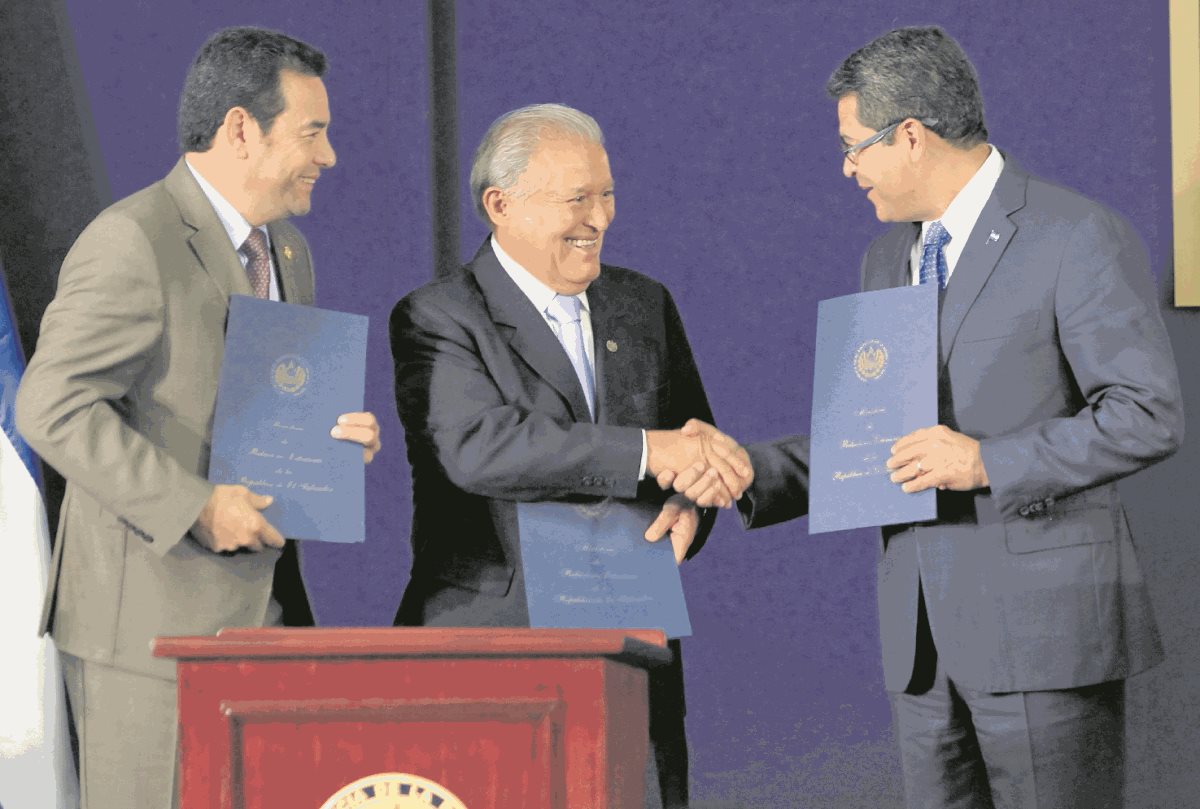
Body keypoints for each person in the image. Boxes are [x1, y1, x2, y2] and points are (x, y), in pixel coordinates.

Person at [678, 25, 1182, 809]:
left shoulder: (1076, 235)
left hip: (1046, 640)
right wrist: (752, 471)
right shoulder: (887, 257)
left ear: (910, 135)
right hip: (921, 647)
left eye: (854, 146)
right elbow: (876, 440)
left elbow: (1148, 413)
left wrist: (987, 462)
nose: (847, 168)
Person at [15, 26, 381, 809]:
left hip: (264, 619)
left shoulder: (288, 251)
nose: (330, 156)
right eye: (312, 132)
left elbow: (254, 410)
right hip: (147, 635)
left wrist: (334, 442)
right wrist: (195, 506)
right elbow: (50, 403)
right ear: (241, 129)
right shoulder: (131, 240)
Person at [389, 103, 750, 809]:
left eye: (607, 193)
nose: (601, 217)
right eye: (577, 198)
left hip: (631, 651)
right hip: (489, 652)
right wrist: (651, 453)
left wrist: (692, 501)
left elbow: (694, 444)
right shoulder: (437, 316)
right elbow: (480, 448)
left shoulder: (645, 304)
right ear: (501, 205)